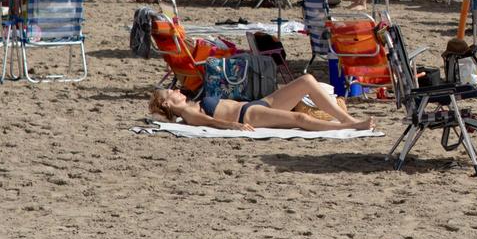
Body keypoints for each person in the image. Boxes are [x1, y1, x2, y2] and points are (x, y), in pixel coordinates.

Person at [148, 74, 373, 132]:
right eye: (171, 92)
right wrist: (234, 126)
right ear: (167, 105)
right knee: (300, 118)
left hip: (257, 104)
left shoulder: (192, 104)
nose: (177, 90)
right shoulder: (189, 113)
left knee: (306, 81)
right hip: (249, 115)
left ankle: (347, 118)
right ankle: (350, 126)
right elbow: (211, 121)